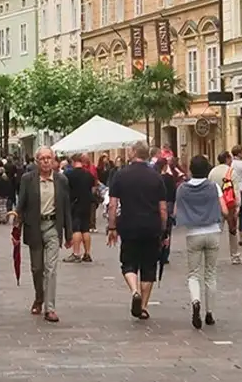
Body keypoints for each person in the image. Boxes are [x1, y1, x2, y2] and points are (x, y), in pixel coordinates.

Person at [107, 140, 167, 321]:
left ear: (133, 153)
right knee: (149, 266)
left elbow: (112, 205)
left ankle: (134, 291)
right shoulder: (156, 176)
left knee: (128, 262)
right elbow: (163, 208)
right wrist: (163, 229)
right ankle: (143, 306)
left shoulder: (120, 175)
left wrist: (112, 227)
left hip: (129, 224)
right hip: (151, 226)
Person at [11, 145, 72, 323]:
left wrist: (69, 233)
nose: (46, 161)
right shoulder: (27, 179)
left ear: (54, 161)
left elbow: (66, 208)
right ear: (37, 162)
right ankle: (39, 297)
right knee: (37, 269)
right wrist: (16, 227)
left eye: (49, 158)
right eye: (42, 158)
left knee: (51, 269)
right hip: (34, 227)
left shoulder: (61, 180)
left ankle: (49, 308)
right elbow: (21, 204)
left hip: (53, 226)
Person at [174, 154, 221, 330]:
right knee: (210, 273)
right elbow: (224, 208)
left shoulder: (182, 189)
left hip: (193, 233)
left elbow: (176, 211)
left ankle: (195, 301)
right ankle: (210, 313)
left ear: (191, 170)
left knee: (193, 273)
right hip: (213, 231)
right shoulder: (214, 187)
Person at [208, 151, 241, 264]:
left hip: (217, 204)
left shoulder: (212, 172)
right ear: (227, 159)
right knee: (232, 231)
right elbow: (236, 190)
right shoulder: (231, 171)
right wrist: (238, 206)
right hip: (230, 205)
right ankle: (235, 255)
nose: (231, 161)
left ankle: (212, 255)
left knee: (216, 231)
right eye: (230, 159)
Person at [64, 153, 97, 264]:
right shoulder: (89, 175)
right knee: (85, 229)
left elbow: (66, 190)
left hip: (74, 203)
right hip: (87, 204)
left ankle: (76, 253)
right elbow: (93, 190)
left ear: (73, 162)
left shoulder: (68, 175)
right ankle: (87, 253)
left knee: (76, 229)